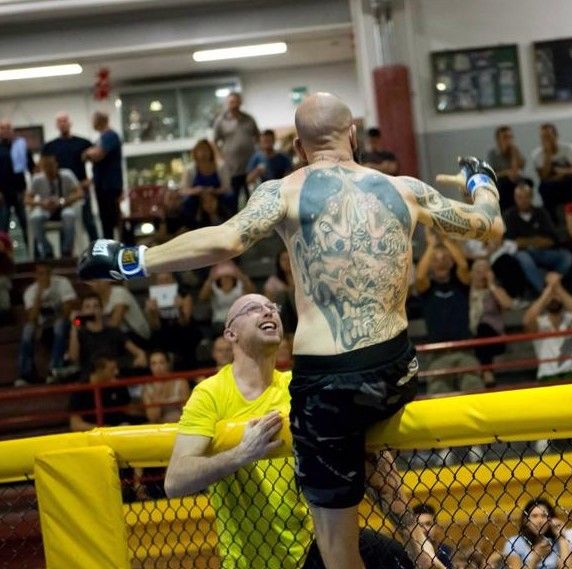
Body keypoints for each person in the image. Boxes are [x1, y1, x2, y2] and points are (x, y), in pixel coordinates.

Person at [78, 91, 503, 569]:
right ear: (353, 135)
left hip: (328, 386)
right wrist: (482, 181)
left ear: (299, 147)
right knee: (367, 447)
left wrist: (132, 259)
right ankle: (418, 546)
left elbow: (226, 240)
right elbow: (486, 224)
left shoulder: (283, 191)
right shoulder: (405, 189)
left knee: (338, 551)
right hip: (396, 370)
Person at [165, 293, 435, 569]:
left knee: (395, 558)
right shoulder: (210, 394)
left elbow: (368, 455)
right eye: (253, 308)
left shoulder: (297, 387)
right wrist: (241, 454)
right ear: (230, 334)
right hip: (249, 561)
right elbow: (175, 481)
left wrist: (412, 535)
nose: (268, 312)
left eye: (272, 307)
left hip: (311, 548)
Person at [415, 230, 482, 393]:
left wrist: (446, 241)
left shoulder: (460, 285)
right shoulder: (428, 289)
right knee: (438, 396)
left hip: (465, 352)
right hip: (438, 355)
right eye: (436, 260)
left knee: (475, 391)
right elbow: (420, 277)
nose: (440, 263)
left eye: (445, 258)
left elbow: (463, 266)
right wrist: (431, 245)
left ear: (451, 262)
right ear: (431, 264)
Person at [504, 181, 572, 296]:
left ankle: (554, 283)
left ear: (531, 197)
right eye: (520, 197)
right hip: (521, 253)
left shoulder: (541, 213)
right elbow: (512, 242)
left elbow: (551, 239)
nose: (523, 201)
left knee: (567, 257)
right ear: (515, 198)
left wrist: (526, 241)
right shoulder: (509, 215)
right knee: (524, 259)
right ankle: (544, 291)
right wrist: (536, 240)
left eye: (526, 197)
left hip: (543, 251)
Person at [18, 262, 77, 385]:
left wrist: (55, 319)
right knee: (28, 330)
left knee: (59, 324)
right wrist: (39, 295)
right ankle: (25, 373)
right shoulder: (31, 291)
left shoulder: (62, 283)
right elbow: (31, 317)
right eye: (40, 274)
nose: (43, 276)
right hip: (42, 326)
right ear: (35, 275)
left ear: (51, 273)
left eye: (46, 273)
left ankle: (54, 368)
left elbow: (68, 309)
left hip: (63, 323)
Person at [43, 112, 99, 241]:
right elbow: (43, 167)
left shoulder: (83, 143)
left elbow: (99, 162)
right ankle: (66, 251)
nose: (63, 124)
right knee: (64, 221)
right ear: (57, 125)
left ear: (70, 123)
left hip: (80, 188)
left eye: (65, 120)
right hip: (59, 191)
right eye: (60, 121)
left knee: (88, 221)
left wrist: (91, 179)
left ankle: (96, 247)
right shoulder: (50, 147)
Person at [68, 292, 147, 381]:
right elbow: (73, 357)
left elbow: (137, 351)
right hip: (90, 379)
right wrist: (74, 326)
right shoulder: (80, 334)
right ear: (82, 312)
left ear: (101, 310)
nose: (92, 310)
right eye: (87, 307)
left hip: (113, 377)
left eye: (96, 306)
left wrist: (141, 356)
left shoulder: (113, 331)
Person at [523, 273, 572, 382]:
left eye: (556, 294)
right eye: (550, 294)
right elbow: (526, 321)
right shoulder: (539, 322)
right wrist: (549, 289)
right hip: (547, 377)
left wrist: (558, 288)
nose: (553, 298)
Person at [25, 152, 83, 259]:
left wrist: (64, 201)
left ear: (56, 164)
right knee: (34, 218)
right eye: (46, 167)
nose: (49, 169)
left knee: (69, 216)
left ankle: (66, 251)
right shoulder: (37, 179)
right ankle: (47, 250)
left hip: (64, 207)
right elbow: (27, 199)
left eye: (51, 166)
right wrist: (41, 203)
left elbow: (80, 193)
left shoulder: (66, 175)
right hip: (45, 209)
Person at [68, 356, 146, 431]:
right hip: (98, 432)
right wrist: (107, 429)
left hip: (122, 425)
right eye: (112, 369)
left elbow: (128, 409)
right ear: (99, 370)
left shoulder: (117, 383)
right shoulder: (80, 390)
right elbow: (76, 425)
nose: (116, 372)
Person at [213, 92, 260, 215]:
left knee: (253, 199)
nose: (234, 104)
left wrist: (257, 152)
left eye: (236, 102)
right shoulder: (220, 121)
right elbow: (215, 141)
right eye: (231, 102)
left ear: (240, 103)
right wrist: (220, 158)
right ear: (227, 103)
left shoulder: (249, 119)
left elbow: (257, 136)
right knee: (233, 201)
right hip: (231, 169)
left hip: (250, 167)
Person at [469, 258, 512, 387]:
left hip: (495, 338)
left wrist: (492, 285)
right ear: (472, 274)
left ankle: (487, 372)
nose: (481, 275)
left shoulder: (496, 291)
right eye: (478, 272)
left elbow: (508, 304)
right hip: (472, 339)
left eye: (485, 272)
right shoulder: (467, 292)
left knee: (483, 327)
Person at [503, 497, 572, 569]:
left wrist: (562, 538)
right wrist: (535, 558)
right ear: (526, 521)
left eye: (544, 516)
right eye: (534, 516)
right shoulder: (514, 543)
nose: (540, 521)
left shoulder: (557, 543)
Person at [83, 111, 123, 239]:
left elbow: (98, 155)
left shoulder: (110, 136)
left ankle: (118, 243)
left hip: (110, 185)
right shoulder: (100, 138)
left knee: (112, 218)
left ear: (99, 121)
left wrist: (88, 153)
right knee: (105, 219)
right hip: (101, 184)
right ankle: (109, 242)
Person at [531, 123, 572, 221]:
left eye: (548, 136)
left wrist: (564, 172)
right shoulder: (537, 154)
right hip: (551, 183)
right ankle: (552, 221)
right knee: (544, 188)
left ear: (556, 136)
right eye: (543, 137)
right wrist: (547, 155)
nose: (546, 140)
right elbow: (543, 176)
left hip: (569, 180)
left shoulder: (569, 149)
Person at [179, 139, 230, 225]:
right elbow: (183, 190)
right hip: (197, 197)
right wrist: (196, 190)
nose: (203, 153)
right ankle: (190, 225)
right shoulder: (190, 169)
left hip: (217, 195)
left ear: (211, 151)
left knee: (229, 197)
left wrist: (214, 191)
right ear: (195, 153)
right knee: (187, 201)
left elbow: (227, 187)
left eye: (206, 150)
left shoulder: (221, 167)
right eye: (200, 150)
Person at [198, 260, 255, 337]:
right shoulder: (213, 286)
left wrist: (239, 274)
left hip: (238, 320)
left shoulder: (240, 284)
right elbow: (202, 297)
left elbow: (252, 293)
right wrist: (211, 277)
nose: (226, 278)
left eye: (228, 276)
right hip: (219, 322)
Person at [0, 118, 33, 244]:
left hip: (20, 192)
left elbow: (31, 168)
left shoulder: (21, 146)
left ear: (12, 130)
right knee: (3, 228)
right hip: (3, 195)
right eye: (2, 128)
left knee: (26, 225)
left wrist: (31, 191)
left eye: (8, 127)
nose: (5, 130)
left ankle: (33, 252)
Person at [89, 280, 151, 347]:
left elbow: (115, 324)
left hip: (136, 336)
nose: (95, 284)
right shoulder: (95, 299)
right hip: (117, 338)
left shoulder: (119, 292)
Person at [143, 350, 190, 423]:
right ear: (150, 367)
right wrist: (158, 396)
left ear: (168, 364)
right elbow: (152, 418)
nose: (158, 367)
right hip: (159, 427)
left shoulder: (180, 382)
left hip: (180, 424)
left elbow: (187, 412)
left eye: (161, 363)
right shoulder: (148, 388)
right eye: (153, 364)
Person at [487, 125, 525, 211]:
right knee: (504, 185)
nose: (508, 140)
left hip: (515, 180)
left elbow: (516, 171)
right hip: (501, 181)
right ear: (498, 140)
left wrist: (513, 154)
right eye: (505, 137)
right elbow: (492, 173)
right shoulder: (493, 154)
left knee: (526, 184)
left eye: (510, 137)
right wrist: (507, 172)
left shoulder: (515, 151)